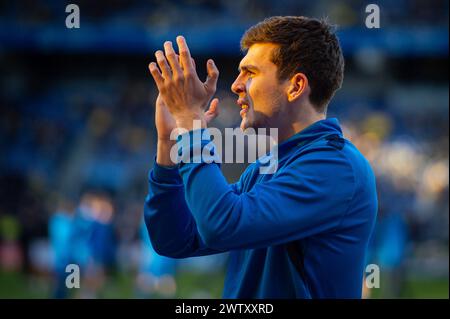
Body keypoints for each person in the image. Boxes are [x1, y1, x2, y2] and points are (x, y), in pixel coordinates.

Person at [144, 16, 378, 298]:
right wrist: (168, 143)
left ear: (296, 86)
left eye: (250, 73)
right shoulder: (268, 167)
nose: (236, 85)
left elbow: (222, 226)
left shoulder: (335, 167)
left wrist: (190, 120)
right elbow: (174, 239)